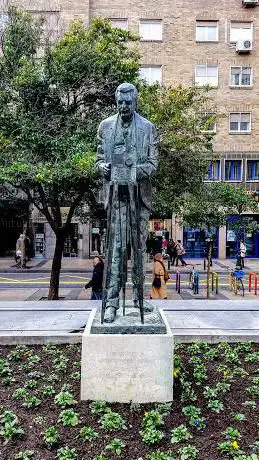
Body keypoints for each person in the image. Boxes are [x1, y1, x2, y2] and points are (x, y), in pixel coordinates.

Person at [96, 82, 158, 323]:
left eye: (128, 103)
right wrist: (103, 167)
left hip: (139, 197)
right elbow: (99, 160)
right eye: (120, 102)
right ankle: (111, 302)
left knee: (139, 249)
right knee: (116, 251)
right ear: (116, 102)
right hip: (116, 198)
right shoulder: (105, 126)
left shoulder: (147, 128)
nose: (123, 106)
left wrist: (132, 173)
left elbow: (153, 164)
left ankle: (139, 299)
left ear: (135, 102)